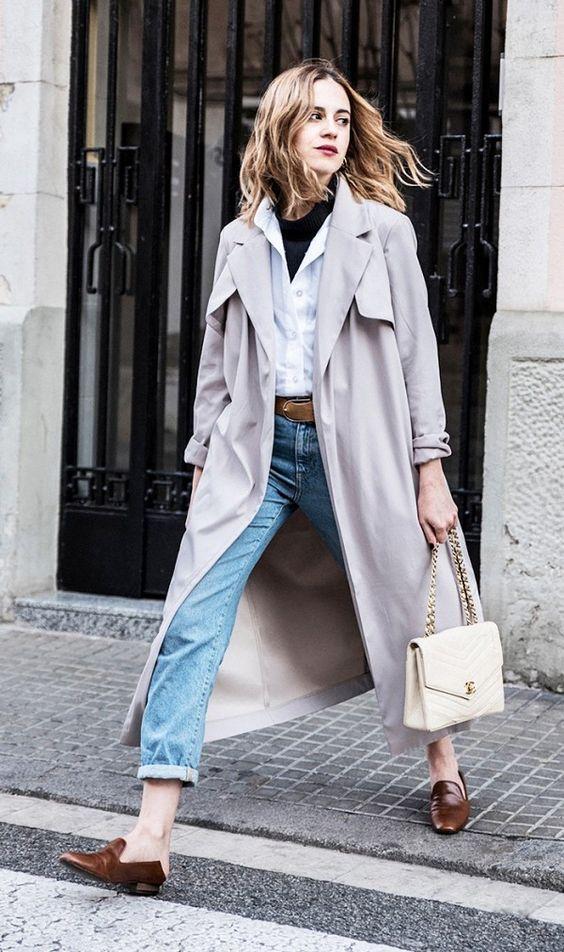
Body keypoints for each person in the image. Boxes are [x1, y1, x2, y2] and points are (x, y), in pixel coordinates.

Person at [59, 58, 478, 895]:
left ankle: (444, 765)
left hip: (355, 453)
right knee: (189, 622)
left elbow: (417, 358)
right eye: (316, 116)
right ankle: (151, 837)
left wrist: (429, 469)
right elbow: (217, 364)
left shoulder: (382, 232)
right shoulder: (240, 239)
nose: (333, 130)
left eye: (342, 118)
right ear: (283, 127)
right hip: (254, 454)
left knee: (403, 605)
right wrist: (203, 462)